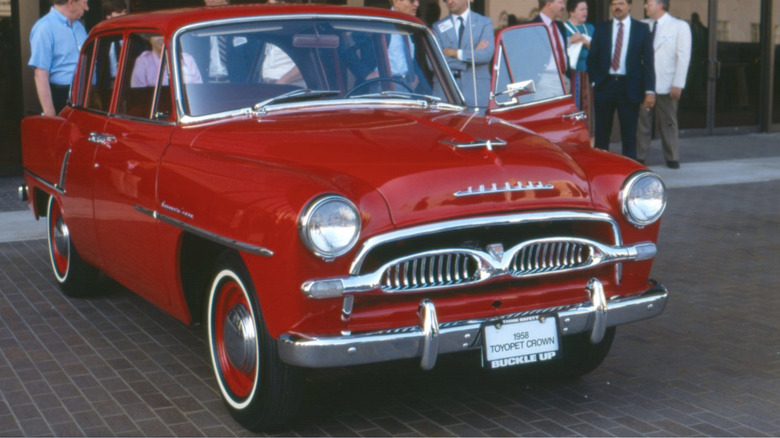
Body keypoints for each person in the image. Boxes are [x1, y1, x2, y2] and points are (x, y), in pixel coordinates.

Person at [587, 0, 655, 160]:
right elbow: (592, 59)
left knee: (629, 135)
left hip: (629, 87)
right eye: (614, 4)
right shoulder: (601, 28)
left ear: (630, 6)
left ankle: (628, 173)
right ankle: (600, 169)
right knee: (602, 134)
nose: (617, 7)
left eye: (621, 3)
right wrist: (595, 82)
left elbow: (649, 63)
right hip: (605, 86)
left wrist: (649, 90)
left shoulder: (642, 29)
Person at [636, 0, 691, 169]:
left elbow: (683, 56)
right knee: (642, 122)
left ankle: (672, 157)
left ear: (660, 5)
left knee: (668, 122)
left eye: (648, 3)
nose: (645, 6)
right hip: (645, 84)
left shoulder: (679, 26)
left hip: (667, 83)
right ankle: (640, 157)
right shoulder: (642, 25)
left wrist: (678, 83)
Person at [28, 0, 89, 116]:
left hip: (85, 96)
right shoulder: (44, 28)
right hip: (62, 97)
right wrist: (50, 114)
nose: (87, 8)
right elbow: (40, 74)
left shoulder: (79, 26)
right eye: (84, 3)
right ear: (71, 3)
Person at [434, 0, 494, 111]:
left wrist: (455, 53)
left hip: (477, 93)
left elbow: (486, 55)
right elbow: (433, 61)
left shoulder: (484, 23)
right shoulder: (438, 27)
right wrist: (472, 56)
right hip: (446, 94)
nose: (449, 1)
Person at [564, 0, 594, 130]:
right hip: (570, 74)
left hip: (588, 74)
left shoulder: (591, 28)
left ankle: (588, 139)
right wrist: (570, 40)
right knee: (572, 108)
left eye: (586, 9)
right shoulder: (563, 27)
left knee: (588, 111)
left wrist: (586, 43)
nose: (585, 12)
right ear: (571, 11)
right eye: (581, 9)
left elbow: (599, 50)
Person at [530, 0, 570, 95]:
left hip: (563, 79)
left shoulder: (560, 26)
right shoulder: (531, 27)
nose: (563, 6)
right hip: (543, 81)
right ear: (549, 4)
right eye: (560, 3)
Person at [131, 35, 202, 87]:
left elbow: (199, 90)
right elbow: (138, 95)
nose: (163, 38)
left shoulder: (187, 59)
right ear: (149, 39)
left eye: (167, 34)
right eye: (158, 34)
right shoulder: (143, 62)